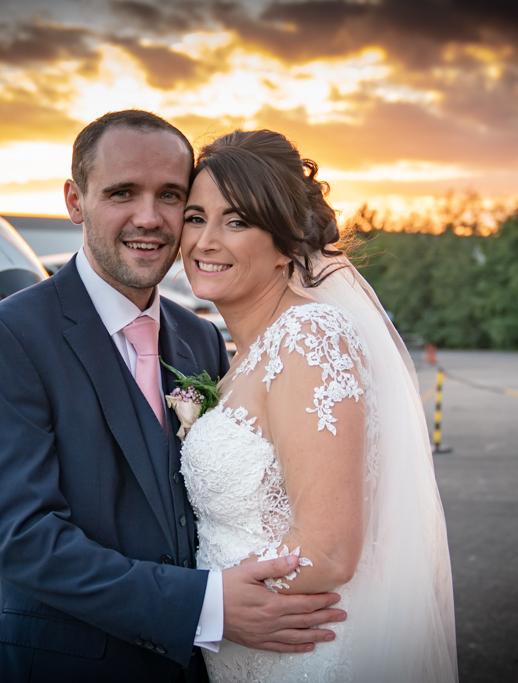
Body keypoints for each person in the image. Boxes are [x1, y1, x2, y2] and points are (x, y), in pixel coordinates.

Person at [0, 111, 346, 683]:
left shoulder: (200, 338)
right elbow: (24, 539)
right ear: (74, 200)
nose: (149, 218)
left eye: (171, 197)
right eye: (122, 193)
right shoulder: (4, 338)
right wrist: (204, 606)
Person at [178, 129, 459, 682]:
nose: (205, 241)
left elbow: (328, 551)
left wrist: (205, 604)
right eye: (195, 217)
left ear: (287, 243)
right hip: (242, 653)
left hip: (300, 658)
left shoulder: (308, 338)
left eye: (236, 222)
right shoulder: (242, 356)